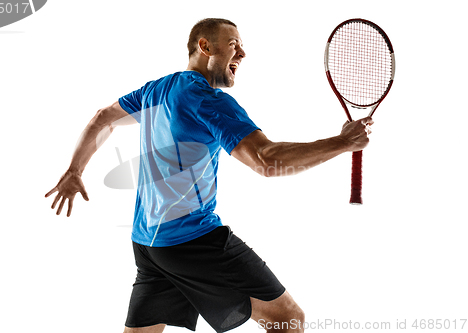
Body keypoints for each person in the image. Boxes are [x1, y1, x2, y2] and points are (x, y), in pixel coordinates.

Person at [45, 18, 373, 333]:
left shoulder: (157, 90)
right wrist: (342, 143)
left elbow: (103, 118)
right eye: (234, 45)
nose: (242, 54)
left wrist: (75, 170)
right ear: (205, 46)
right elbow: (266, 161)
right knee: (287, 319)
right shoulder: (208, 102)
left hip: (148, 244)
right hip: (192, 240)